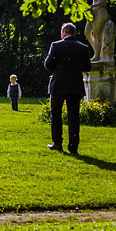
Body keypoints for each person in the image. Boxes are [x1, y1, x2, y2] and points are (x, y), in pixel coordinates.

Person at [44, 22, 92, 154]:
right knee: (74, 117)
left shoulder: (56, 46)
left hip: (58, 85)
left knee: (56, 115)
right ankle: (73, 146)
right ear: (74, 33)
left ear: (64, 32)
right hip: (75, 86)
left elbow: (48, 64)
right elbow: (87, 67)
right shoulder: (82, 48)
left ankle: (57, 142)